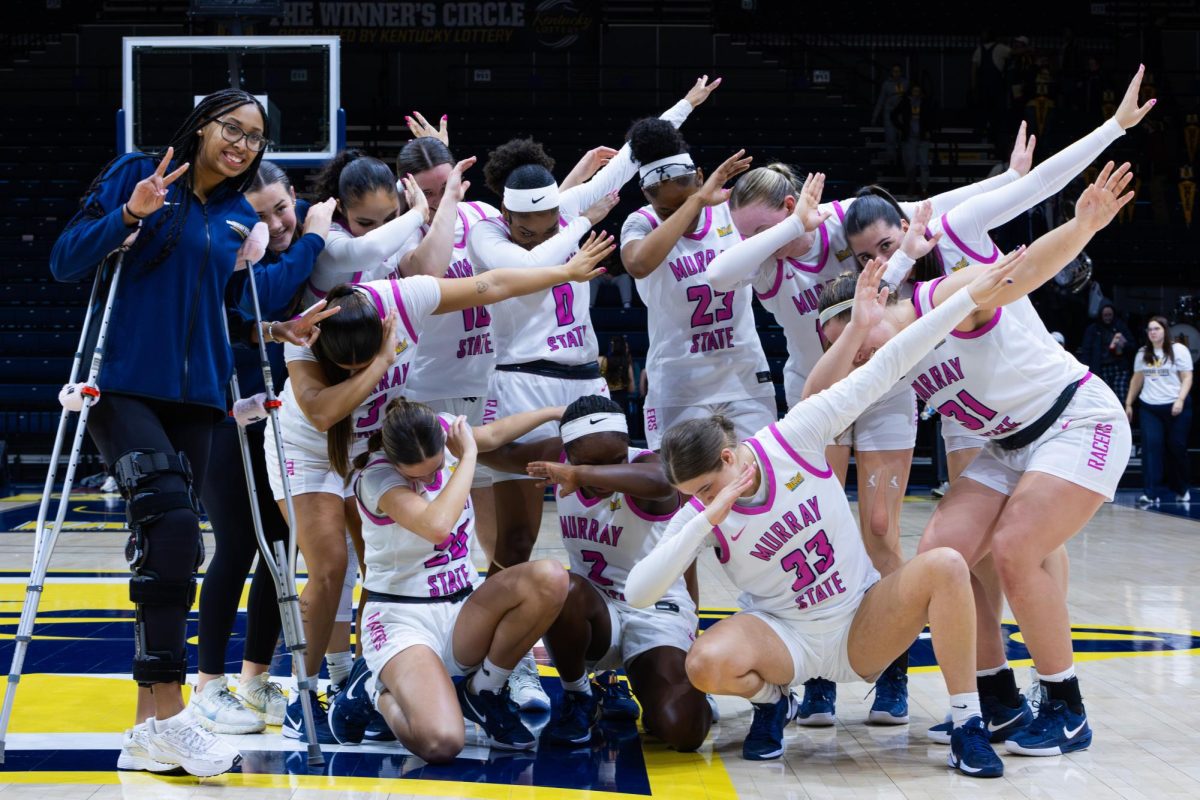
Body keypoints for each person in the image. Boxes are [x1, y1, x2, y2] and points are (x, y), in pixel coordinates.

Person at [626, 255, 1032, 775]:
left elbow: (887, 364)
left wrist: (966, 301)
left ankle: (967, 722)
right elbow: (639, 591)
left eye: (705, 489)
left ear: (730, 457)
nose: (700, 501)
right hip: (784, 636)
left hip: (861, 620)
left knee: (948, 564)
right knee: (702, 664)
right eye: (691, 495)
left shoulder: (794, 435)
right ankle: (771, 702)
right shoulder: (702, 514)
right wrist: (707, 516)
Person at [708, 131, 1038, 726]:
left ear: (789, 207)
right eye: (747, 233)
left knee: (881, 528)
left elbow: (941, 207)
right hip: (816, 399)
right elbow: (717, 274)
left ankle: (891, 670)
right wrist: (784, 231)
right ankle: (815, 677)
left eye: (760, 229)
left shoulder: (847, 224)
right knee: (818, 527)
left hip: (883, 389)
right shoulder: (765, 261)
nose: (751, 242)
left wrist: (1011, 182)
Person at [811, 161, 1136, 757]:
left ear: (879, 307)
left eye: (857, 342)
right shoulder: (884, 355)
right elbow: (816, 398)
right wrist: (855, 340)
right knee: (944, 556)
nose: (857, 358)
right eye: (847, 349)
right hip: (1009, 445)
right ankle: (999, 701)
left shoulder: (944, 297)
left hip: (1077, 418)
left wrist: (1083, 225)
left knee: (1015, 548)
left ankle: (1066, 707)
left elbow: (1024, 269)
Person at [48, 89, 323, 776]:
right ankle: (171, 713)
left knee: (172, 548)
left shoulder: (236, 216)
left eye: (256, 137)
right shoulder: (139, 173)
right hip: (124, 383)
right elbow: (65, 259)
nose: (242, 144)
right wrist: (129, 213)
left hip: (201, 399)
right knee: (171, 528)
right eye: (233, 128)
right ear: (202, 127)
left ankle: (151, 729)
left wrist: (271, 329)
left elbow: (220, 309)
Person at [266, 200, 613, 743]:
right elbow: (325, 412)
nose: (356, 371)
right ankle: (309, 689)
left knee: (380, 562)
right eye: (347, 367)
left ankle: (368, 676)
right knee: (332, 567)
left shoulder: (407, 298)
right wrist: (379, 363)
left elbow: (492, 284)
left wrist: (564, 272)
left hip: (378, 437)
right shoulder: (307, 336)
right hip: (310, 445)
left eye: (363, 362)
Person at [469, 76, 719, 709]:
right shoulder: (490, 239)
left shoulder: (566, 210)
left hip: (586, 381)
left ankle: (646, 631)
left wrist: (683, 108)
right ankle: (515, 658)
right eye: (522, 222)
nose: (533, 230)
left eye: (544, 217)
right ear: (504, 215)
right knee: (518, 540)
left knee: (630, 498)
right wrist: (576, 222)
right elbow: (526, 271)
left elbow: (634, 153)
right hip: (520, 381)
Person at [325, 400, 570, 759]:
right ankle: (370, 693)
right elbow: (437, 527)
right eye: (416, 476)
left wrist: (551, 412)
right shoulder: (377, 478)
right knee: (442, 743)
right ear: (394, 461)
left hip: (462, 609)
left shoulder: (442, 432)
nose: (427, 479)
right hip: (401, 619)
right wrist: (467, 456)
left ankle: (483, 692)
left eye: (435, 468)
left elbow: (496, 433)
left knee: (549, 577)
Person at [190, 162, 335, 734]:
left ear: (295, 195)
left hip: (284, 418)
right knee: (236, 542)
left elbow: (258, 322)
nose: (277, 224)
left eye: (282, 208)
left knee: (280, 545)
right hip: (222, 412)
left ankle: (252, 682)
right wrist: (317, 236)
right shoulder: (231, 251)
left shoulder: (301, 248)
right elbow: (260, 296)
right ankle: (206, 687)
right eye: (260, 215)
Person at [477, 395, 711, 750]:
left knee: (683, 732)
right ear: (568, 452)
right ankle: (580, 696)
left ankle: (662, 679)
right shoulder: (556, 454)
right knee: (561, 585)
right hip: (596, 612)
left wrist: (578, 472)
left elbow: (665, 480)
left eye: (615, 460)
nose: (602, 475)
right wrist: (453, 439)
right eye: (589, 463)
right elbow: (501, 454)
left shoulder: (647, 468)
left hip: (655, 615)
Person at [619, 121, 776, 452]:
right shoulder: (641, 222)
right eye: (667, 209)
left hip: (743, 374)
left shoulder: (729, 212)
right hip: (678, 380)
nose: (680, 213)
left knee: (757, 481)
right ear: (647, 195)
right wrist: (695, 202)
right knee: (681, 489)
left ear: (701, 177)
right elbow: (638, 264)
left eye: (685, 199)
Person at [1126, 316, 1193, 504]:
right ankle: (1150, 493)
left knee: (1176, 448)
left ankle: (1181, 488)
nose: (1153, 332)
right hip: (1150, 406)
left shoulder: (1179, 350)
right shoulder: (1142, 353)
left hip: (1175, 405)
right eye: (1150, 329)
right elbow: (1137, 379)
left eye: (1156, 328)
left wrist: (1180, 400)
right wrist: (1129, 403)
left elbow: (1187, 377)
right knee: (1151, 448)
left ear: (1165, 330)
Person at [1083, 302, 1135, 401]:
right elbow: (1087, 351)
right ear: (1101, 315)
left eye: (1110, 315)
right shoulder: (1093, 329)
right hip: (1100, 368)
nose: (1108, 318)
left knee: (1121, 395)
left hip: (1119, 366)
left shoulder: (1120, 326)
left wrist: (1123, 343)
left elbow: (1132, 346)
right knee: (1104, 398)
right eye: (1105, 315)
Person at [892, 84, 935, 196]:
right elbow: (893, 115)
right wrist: (901, 127)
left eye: (918, 91)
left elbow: (933, 117)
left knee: (924, 164)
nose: (916, 93)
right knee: (910, 165)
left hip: (923, 139)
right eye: (914, 91)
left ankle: (924, 189)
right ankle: (911, 185)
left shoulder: (925, 103)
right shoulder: (905, 102)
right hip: (909, 138)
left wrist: (929, 130)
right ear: (911, 92)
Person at [872, 65, 909, 167]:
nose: (896, 73)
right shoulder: (886, 84)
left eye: (898, 71)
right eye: (894, 71)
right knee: (890, 139)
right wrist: (875, 116)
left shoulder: (906, 83)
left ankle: (903, 161)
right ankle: (891, 161)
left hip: (902, 114)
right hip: (889, 113)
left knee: (903, 139)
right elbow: (881, 100)